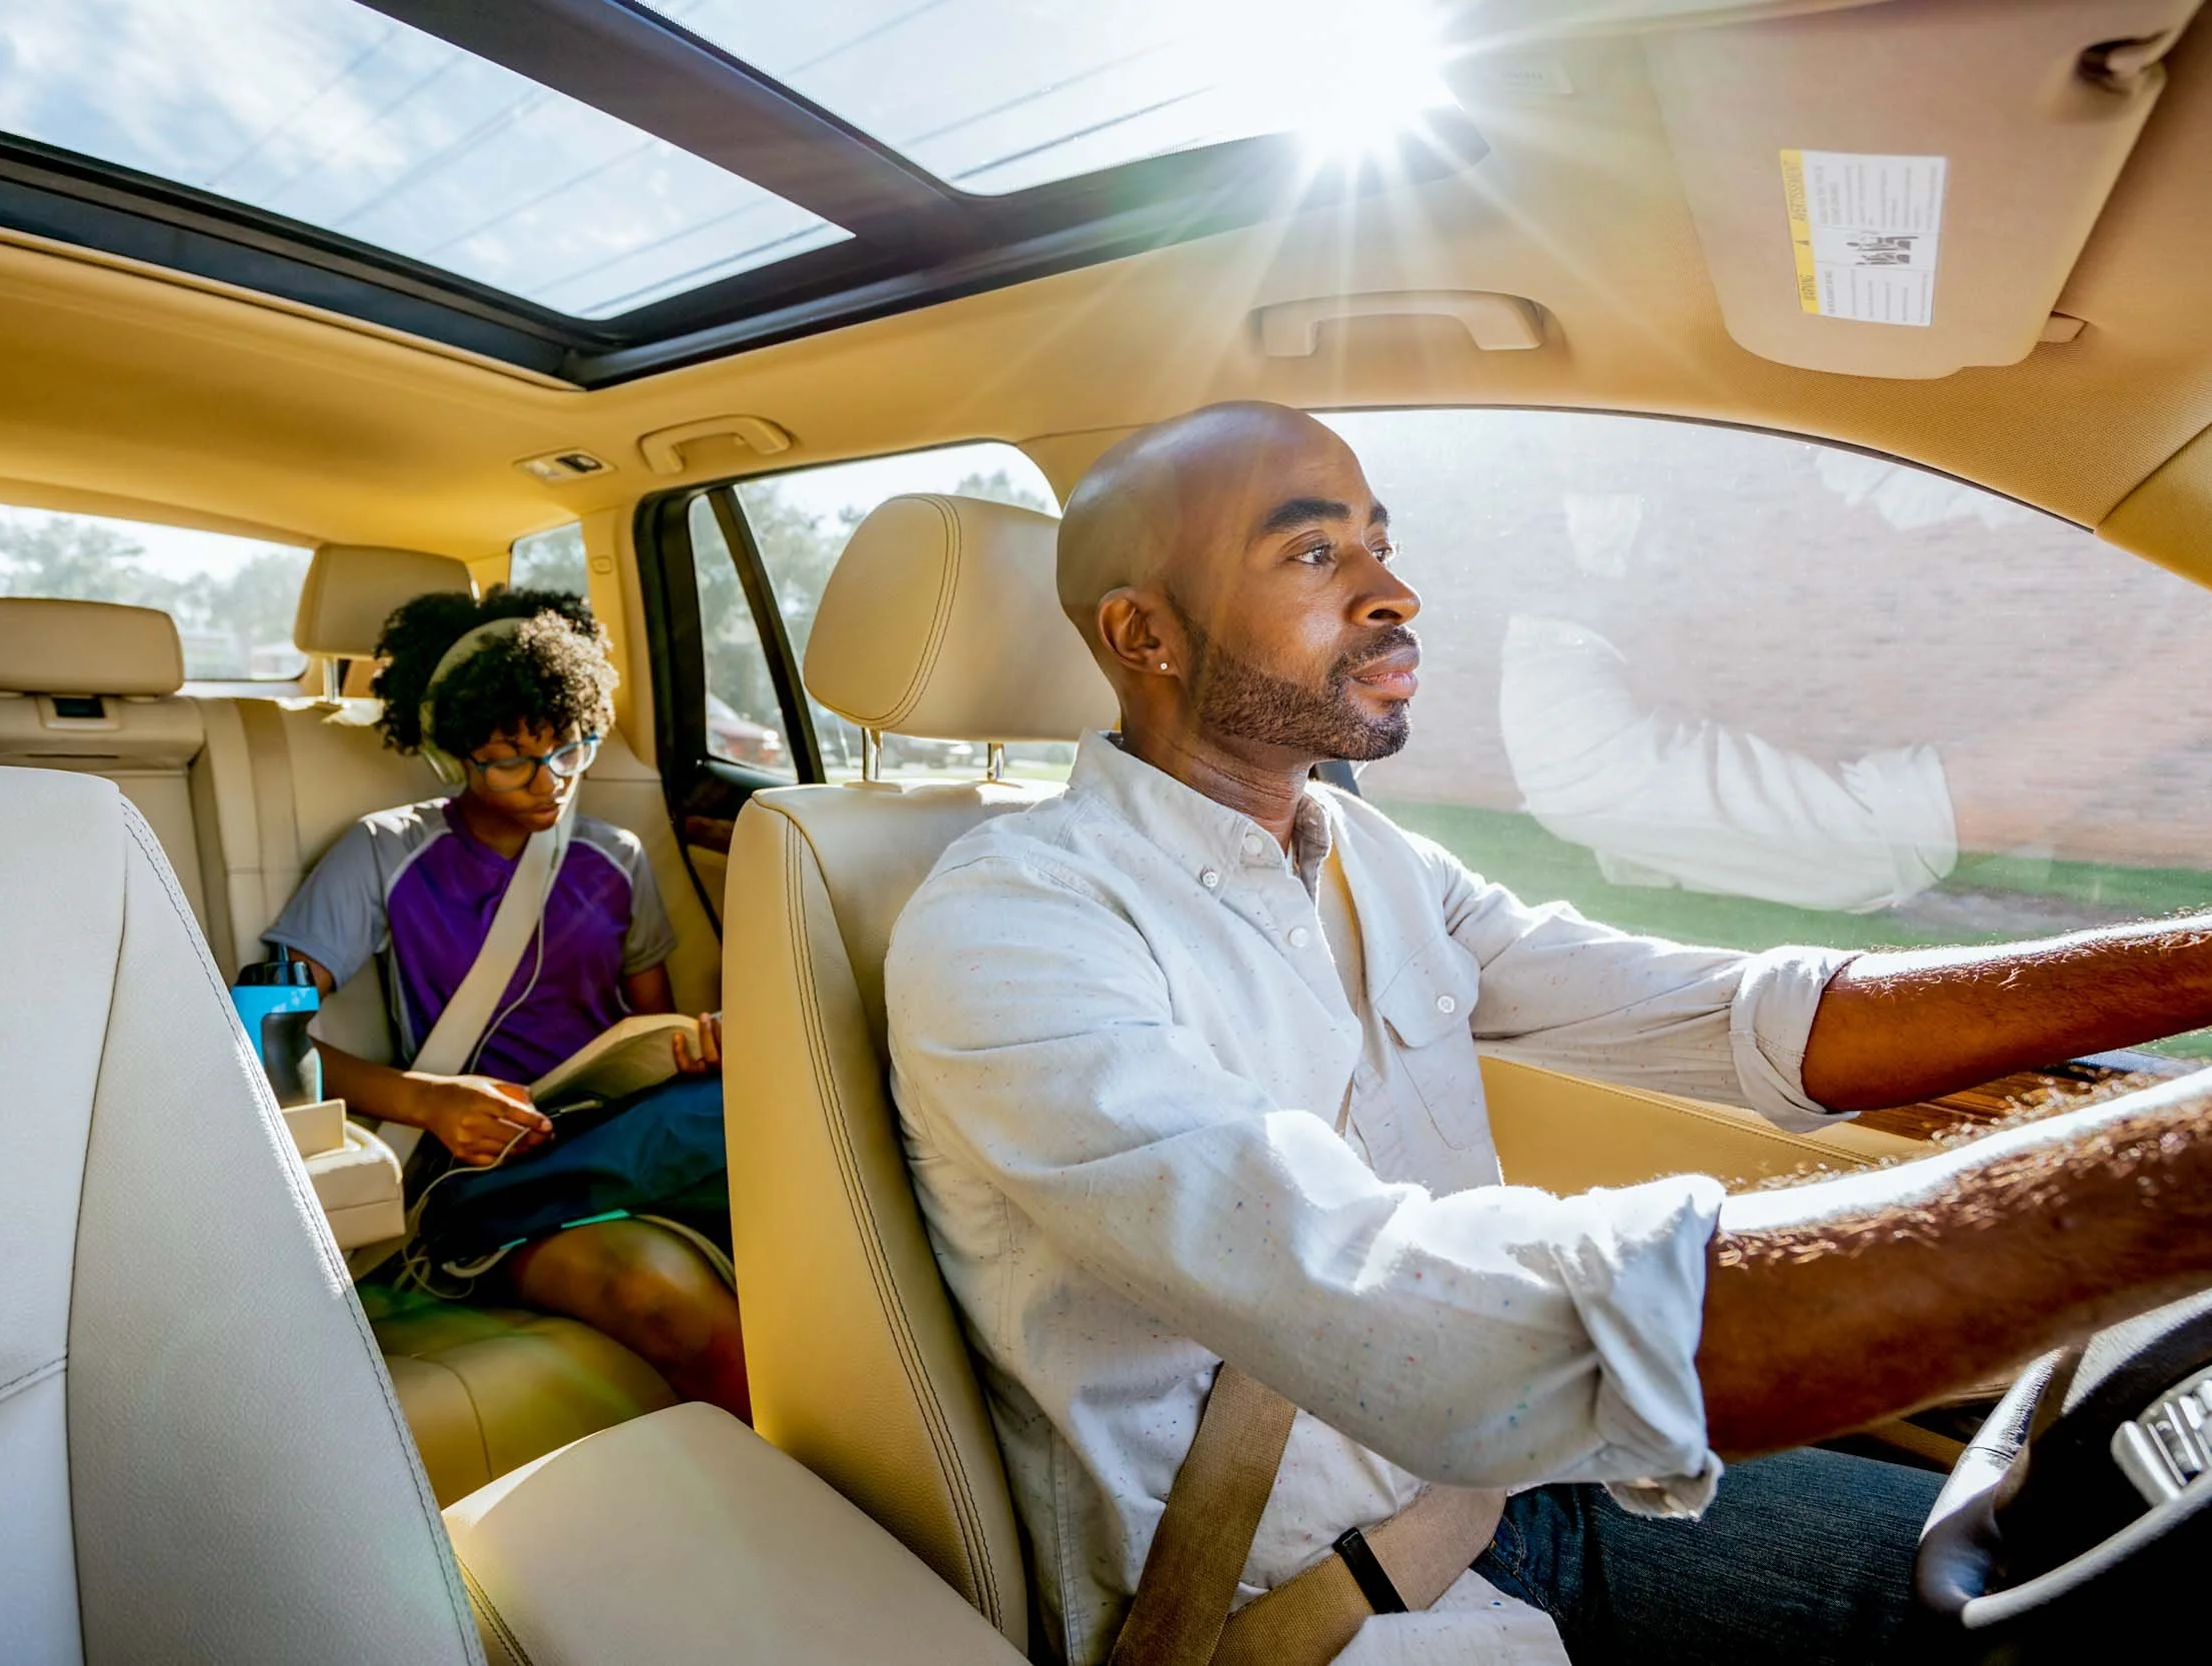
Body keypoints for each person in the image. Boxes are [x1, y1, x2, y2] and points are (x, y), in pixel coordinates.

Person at [884, 401, 2212, 1665]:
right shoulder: (1012, 929)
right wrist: (2169, 1179)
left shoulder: (1369, 857)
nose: (1393, 592)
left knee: (2084, 1577)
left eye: (1381, 544)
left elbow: (1740, 1011)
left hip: (1524, 1483)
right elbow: (1389, 1299)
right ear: (1147, 633)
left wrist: (2194, 966)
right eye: (1311, 549)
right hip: (1318, 1610)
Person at [266, 585, 745, 1419]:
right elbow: (262, 1024)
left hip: (618, 1128)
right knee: (659, 1294)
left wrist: (698, 1042)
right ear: (453, 756)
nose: (551, 780)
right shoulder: (387, 852)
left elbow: (646, 1026)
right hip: (481, 1167)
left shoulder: (616, 857)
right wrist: (427, 1100)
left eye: (570, 748)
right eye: (513, 759)